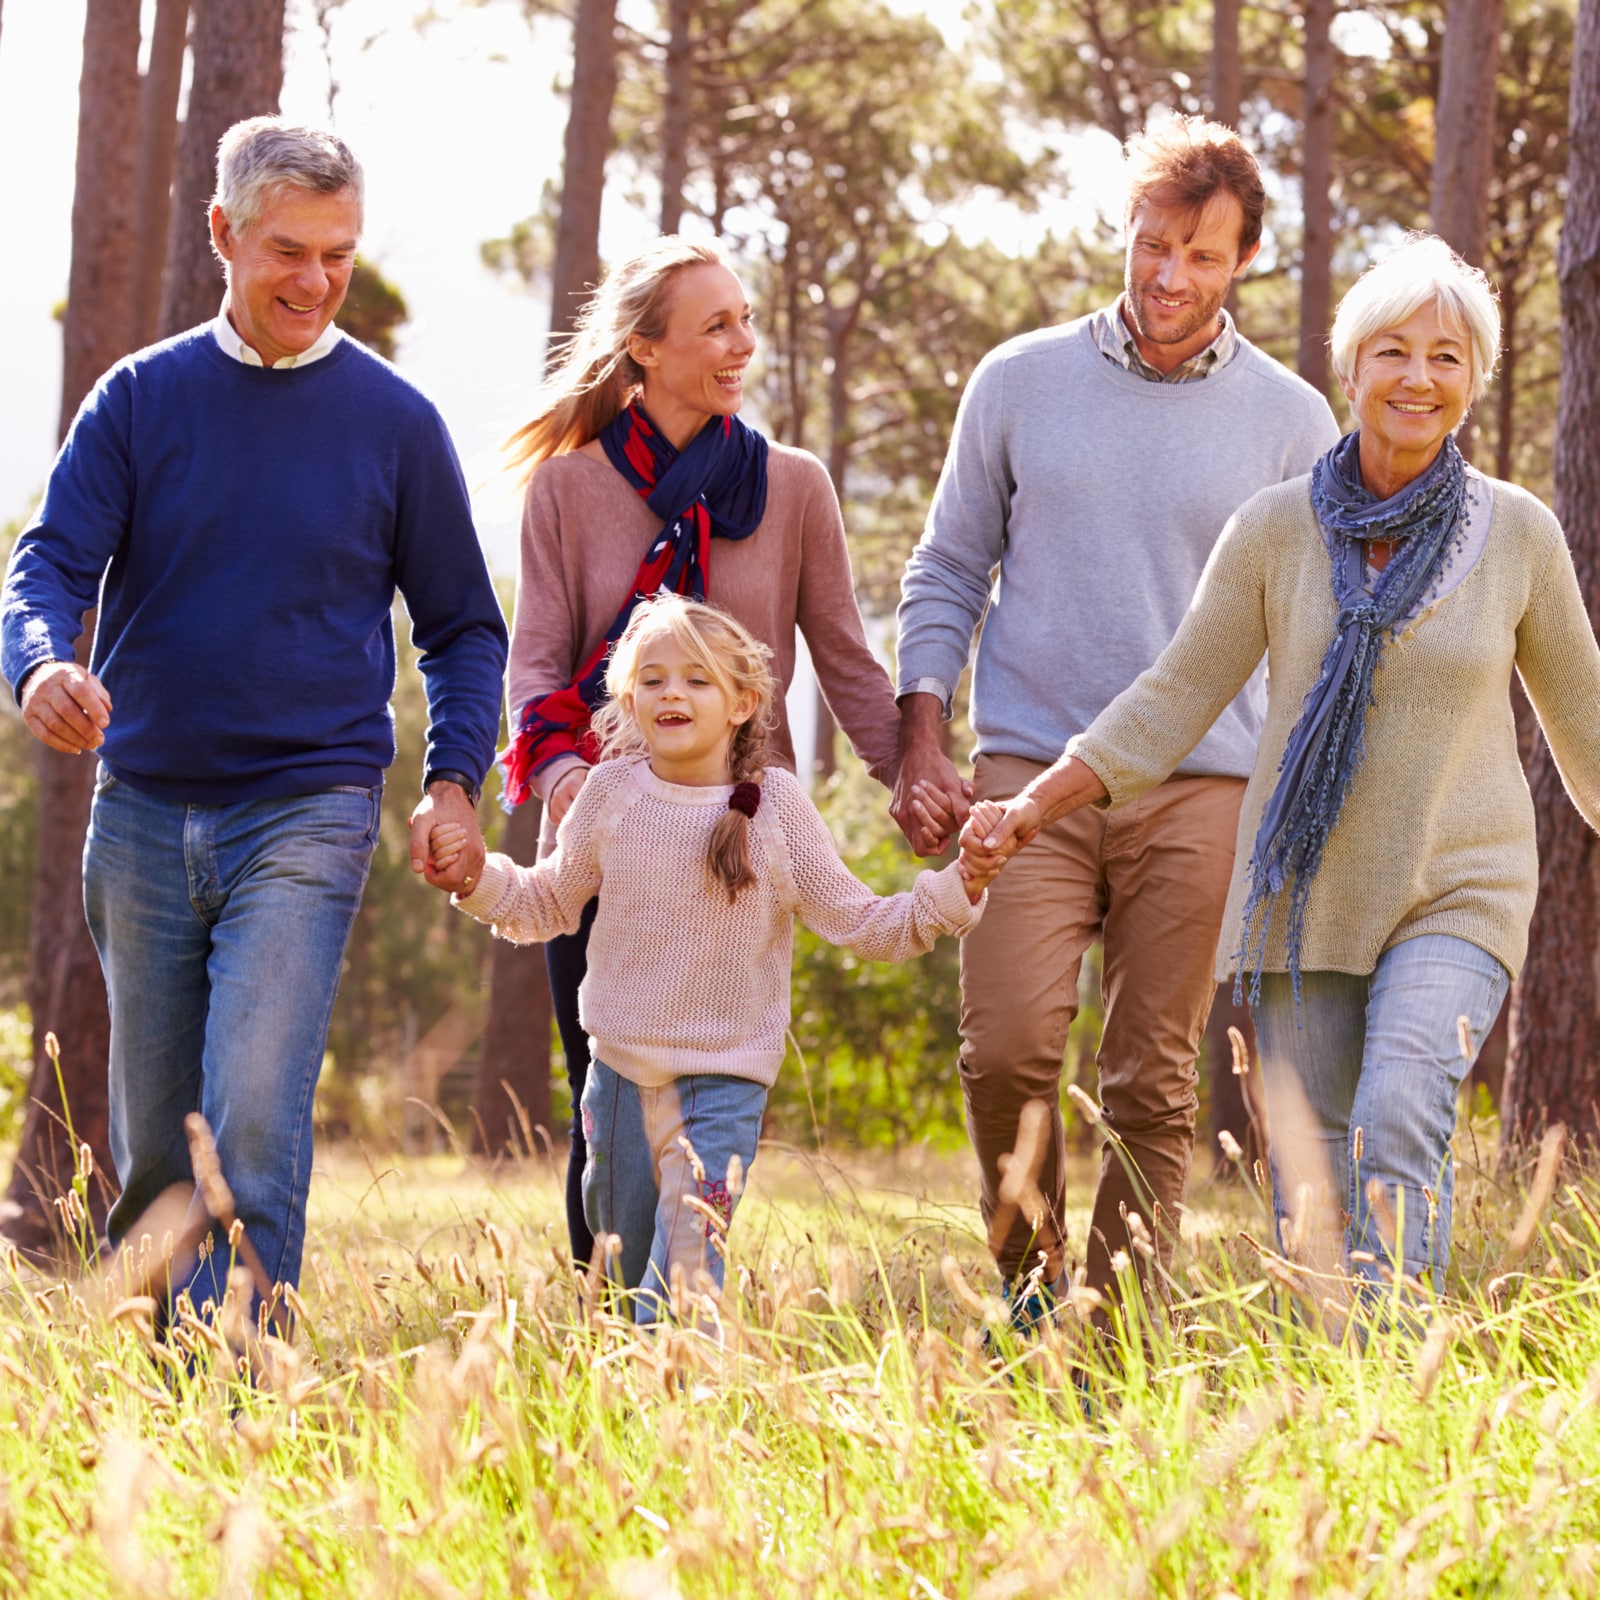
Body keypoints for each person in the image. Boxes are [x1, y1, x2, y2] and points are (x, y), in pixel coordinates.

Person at [965, 235, 1600, 1295]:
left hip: (1460, 887)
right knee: (1312, 1174)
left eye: (1446, 357)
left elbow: (1587, 723)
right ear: (1348, 371)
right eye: (1392, 351)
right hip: (1305, 894)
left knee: (1401, 1107)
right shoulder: (1275, 531)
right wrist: (1036, 799)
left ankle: (1403, 1379)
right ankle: (1339, 1399)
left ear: (1474, 382)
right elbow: (1171, 696)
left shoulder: (1518, 536)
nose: (1417, 377)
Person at [0, 118, 507, 1314]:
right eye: (288, 250)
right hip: (141, 815)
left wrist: (450, 782)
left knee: (254, 1110)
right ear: (223, 233)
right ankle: (170, 1404)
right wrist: (36, 669)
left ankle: (243, 1386)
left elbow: (463, 627)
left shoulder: (395, 424)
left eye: (338, 254)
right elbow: (48, 567)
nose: (316, 280)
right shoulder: (139, 399)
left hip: (310, 807)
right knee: (157, 1145)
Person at [893, 115, 1340, 1319]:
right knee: (1007, 1045)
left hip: (1202, 782)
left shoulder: (1293, 423)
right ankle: (1029, 1291)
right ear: (1126, 234)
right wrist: (921, 735)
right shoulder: (1019, 380)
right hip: (1026, 774)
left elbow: (1311, 626)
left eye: (1199, 255)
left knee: (1150, 1078)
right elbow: (946, 568)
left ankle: (1118, 1326)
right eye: (1151, 245)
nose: (1166, 277)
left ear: (1241, 260)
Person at [501, 237, 934, 1272]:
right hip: (605, 841)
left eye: (746, 319)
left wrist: (910, 780)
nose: (744, 344)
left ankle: (684, 1319)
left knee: (713, 1104)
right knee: (604, 1106)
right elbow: (535, 665)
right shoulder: (565, 491)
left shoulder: (791, 487)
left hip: (737, 843)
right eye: (717, 326)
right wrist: (574, 790)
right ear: (644, 350)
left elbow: (843, 656)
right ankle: (610, 1326)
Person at [435, 595, 989, 1320]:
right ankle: (637, 1416)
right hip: (620, 1082)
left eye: (697, 680)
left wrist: (960, 886)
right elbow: (547, 903)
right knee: (627, 1279)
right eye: (654, 679)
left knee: (686, 1282)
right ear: (630, 699)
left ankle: (686, 1412)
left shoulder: (775, 810)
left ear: (742, 703)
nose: (673, 693)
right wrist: (477, 879)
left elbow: (864, 924)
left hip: (723, 1087)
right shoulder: (610, 794)